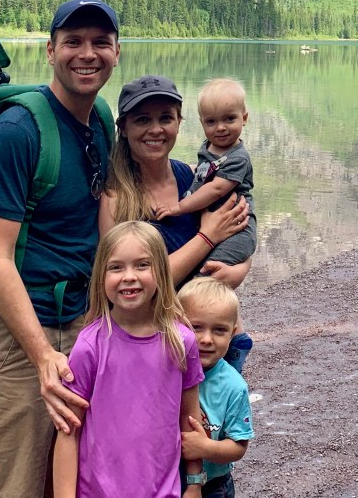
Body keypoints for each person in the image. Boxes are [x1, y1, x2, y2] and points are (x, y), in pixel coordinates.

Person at [0, 0, 121, 498]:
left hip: (82, 324)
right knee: (9, 483)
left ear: (117, 52)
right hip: (19, 339)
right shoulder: (15, 132)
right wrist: (41, 357)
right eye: (73, 42)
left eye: (100, 42)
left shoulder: (99, 119)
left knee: (69, 482)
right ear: (50, 51)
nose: (87, 54)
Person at [100, 75, 254, 371]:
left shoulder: (194, 177)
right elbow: (131, 284)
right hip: (157, 348)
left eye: (166, 118)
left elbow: (239, 229)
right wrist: (207, 238)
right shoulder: (116, 198)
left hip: (213, 345)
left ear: (180, 122)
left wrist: (238, 269)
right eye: (143, 119)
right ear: (124, 128)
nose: (156, 129)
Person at [53, 221, 206, 498]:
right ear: (101, 276)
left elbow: (190, 419)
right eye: (116, 267)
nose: (129, 276)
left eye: (142, 265)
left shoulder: (182, 342)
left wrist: (194, 483)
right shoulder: (90, 346)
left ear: (161, 272)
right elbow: (68, 431)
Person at [154, 78, 257, 268]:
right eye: (211, 121)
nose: (220, 127)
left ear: (244, 118)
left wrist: (178, 208)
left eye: (229, 119)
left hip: (237, 228)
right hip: (217, 224)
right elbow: (206, 169)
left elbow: (216, 189)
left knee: (206, 271)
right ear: (202, 123)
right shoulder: (210, 147)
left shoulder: (238, 158)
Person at [178, 278, 254, 498]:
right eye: (196, 327)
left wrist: (205, 448)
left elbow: (239, 446)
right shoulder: (167, 370)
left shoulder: (233, 386)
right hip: (165, 479)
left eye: (219, 330)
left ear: (232, 334)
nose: (206, 339)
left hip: (214, 486)